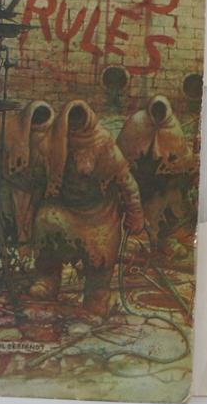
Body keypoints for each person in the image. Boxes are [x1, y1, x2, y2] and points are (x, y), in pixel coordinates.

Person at [30, 100, 144, 318]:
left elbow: (126, 181)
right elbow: (39, 176)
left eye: (79, 120)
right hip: (65, 207)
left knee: (101, 250)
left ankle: (97, 295)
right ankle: (47, 279)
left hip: (99, 213)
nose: (75, 125)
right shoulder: (55, 139)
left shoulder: (103, 142)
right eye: (71, 121)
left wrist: (135, 213)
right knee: (46, 221)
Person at [116, 94, 198, 244]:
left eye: (161, 112)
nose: (158, 116)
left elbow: (180, 158)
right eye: (155, 112)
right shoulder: (137, 122)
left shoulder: (173, 127)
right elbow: (123, 149)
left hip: (160, 179)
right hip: (136, 173)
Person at [2, 99, 54, 245]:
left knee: (34, 217)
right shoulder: (15, 133)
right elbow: (9, 164)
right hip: (19, 183)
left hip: (38, 185)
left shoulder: (51, 135)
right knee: (19, 215)